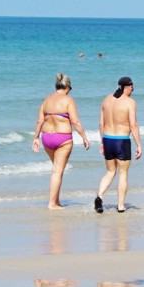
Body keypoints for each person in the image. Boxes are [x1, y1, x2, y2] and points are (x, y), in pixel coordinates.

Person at [35, 74, 88, 210]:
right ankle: (52, 203)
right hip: (62, 139)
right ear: (68, 86)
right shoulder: (68, 100)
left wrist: (35, 138)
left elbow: (40, 121)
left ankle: (56, 200)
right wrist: (84, 137)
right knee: (57, 171)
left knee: (56, 170)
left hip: (46, 137)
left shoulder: (46, 100)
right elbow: (75, 121)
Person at [96, 76, 142, 213]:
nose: (133, 90)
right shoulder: (130, 102)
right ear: (127, 87)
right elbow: (133, 124)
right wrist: (138, 144)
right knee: (123, 174)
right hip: (122, 141)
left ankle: (99, 196)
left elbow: (101, 124)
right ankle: (121, 206)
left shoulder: (106, 100)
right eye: (132, 87)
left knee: (110, 172)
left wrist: (102, 142)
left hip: (108, 139)